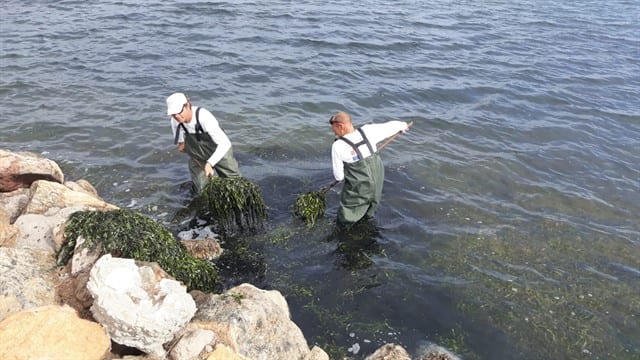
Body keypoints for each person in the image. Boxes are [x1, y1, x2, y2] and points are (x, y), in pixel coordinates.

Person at [329, 111, 412, 229]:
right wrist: (403, 127)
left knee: (348, 212)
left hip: (360, 184)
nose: (334, 132)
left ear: (341, 126)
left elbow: (339, 177)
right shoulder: (368, 130)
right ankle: (367, 220)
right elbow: (393, 126)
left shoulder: (338, 146)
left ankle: (345, 228)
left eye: (334, 129)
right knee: (372, 202)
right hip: (377, 177)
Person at [166, 92, 240, 194]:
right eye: (173, 115)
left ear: (187, 105)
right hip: (198, 155)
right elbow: (181, 145)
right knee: (201, 189)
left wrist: (210, 163)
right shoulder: (175, 121)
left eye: (179, 112)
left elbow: (225, 143)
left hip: (220, 150)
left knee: (234, 184)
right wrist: (191, 153)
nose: (177, 117)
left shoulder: (203, 117)